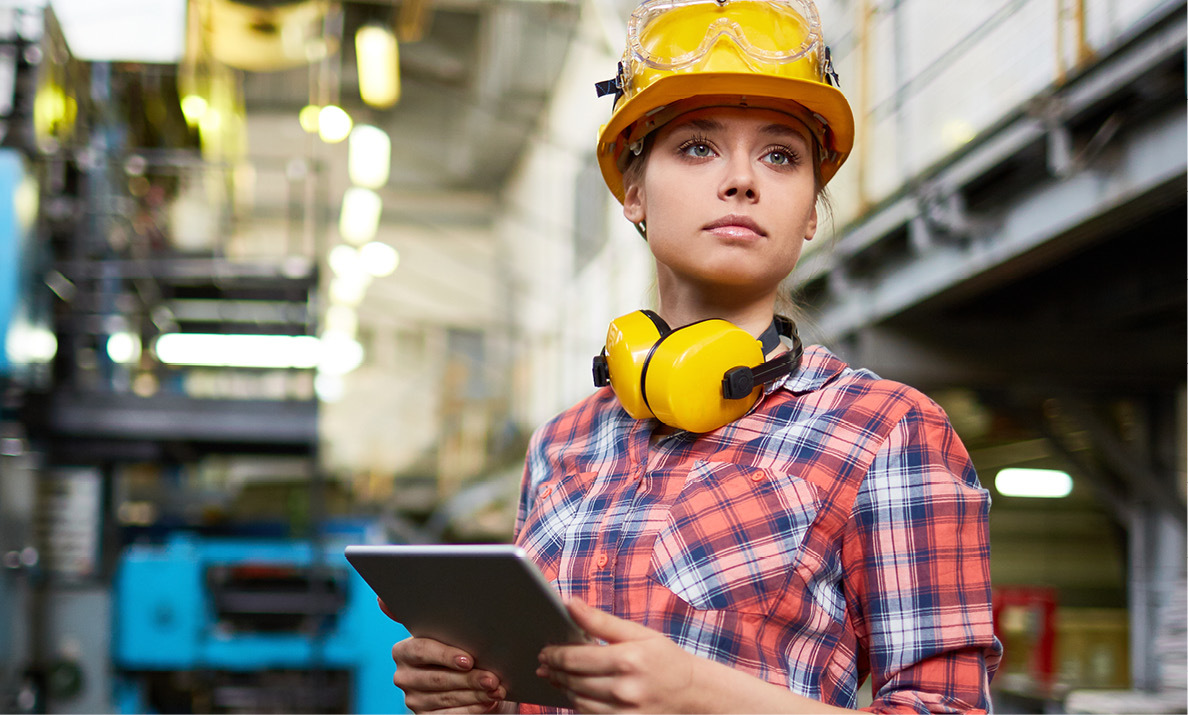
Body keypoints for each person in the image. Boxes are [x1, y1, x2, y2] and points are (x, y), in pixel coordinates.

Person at [385, 0, 1002, 711]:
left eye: (780, 155)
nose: (742, 179)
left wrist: (699, 695)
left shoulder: (886, 431)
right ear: (634, 192)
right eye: (698, 147)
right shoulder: (562, 445)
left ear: (809, 209)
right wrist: (476, 695)